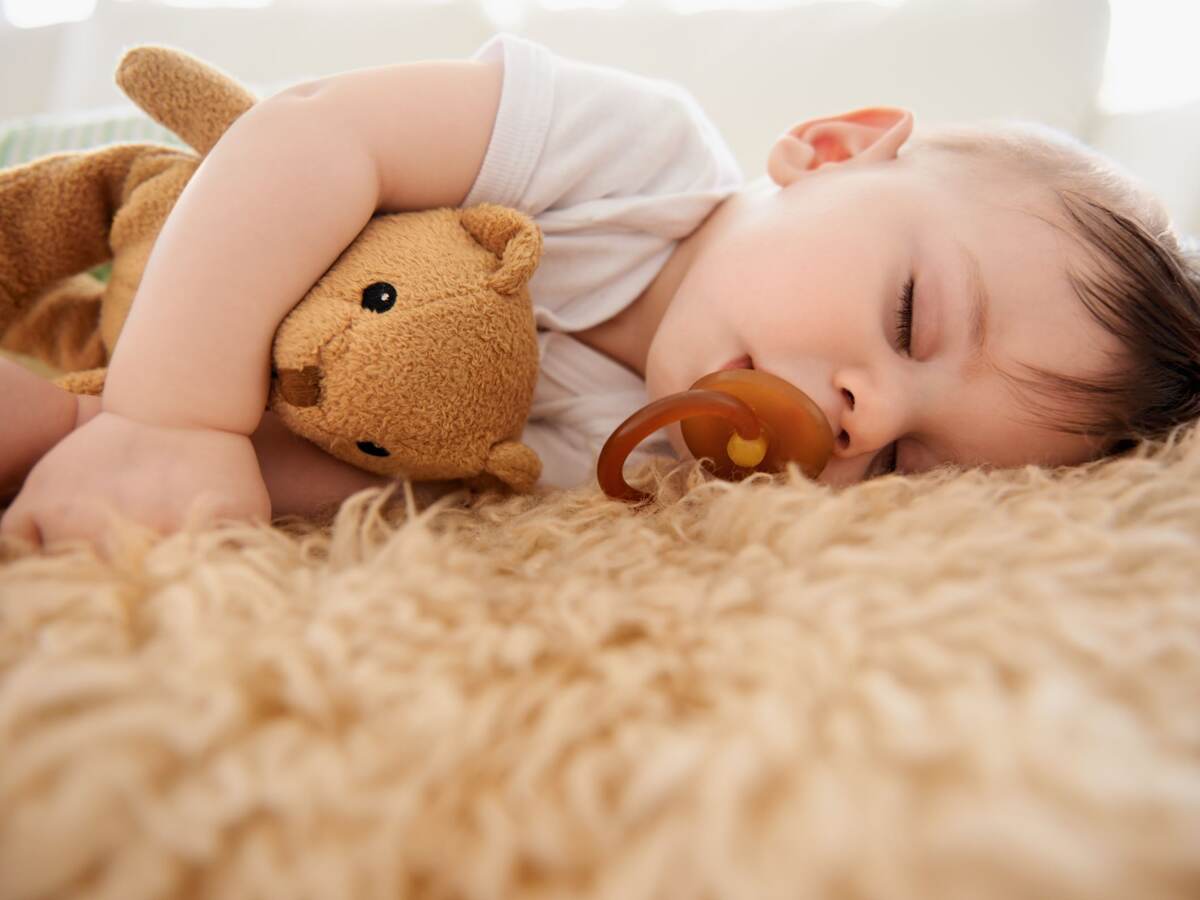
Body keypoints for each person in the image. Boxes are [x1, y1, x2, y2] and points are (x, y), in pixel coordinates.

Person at [2, 33, 1198, 549]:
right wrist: (172, 415)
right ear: (831, 151)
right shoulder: (633, 160)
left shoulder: (645, 477)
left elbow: (390, 481)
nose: (862, 416)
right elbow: (312, 140)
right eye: (909, 318)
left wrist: (116, 439)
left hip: (137, 394)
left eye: (902, 463)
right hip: (160, 209)